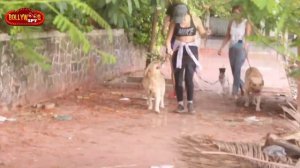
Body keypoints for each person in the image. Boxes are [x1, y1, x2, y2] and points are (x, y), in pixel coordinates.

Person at [166, 3, 208, 113]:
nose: (180, 20)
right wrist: (168, 49)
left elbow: (202, 33)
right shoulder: (175, 22)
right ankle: (180, 103)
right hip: (178, 49)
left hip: (191, 49)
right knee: (178, 78)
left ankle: (190, 103)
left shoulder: (195, 20)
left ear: (186, 14)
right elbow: (168, 39)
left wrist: (207, 33)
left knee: (189, 76)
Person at [217, 5, 251, 100]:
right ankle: (243, 86)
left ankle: (234, 92)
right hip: (232, 46)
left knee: (237, 68)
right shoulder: (231, 22)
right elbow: (227, 36)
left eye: (237, 13)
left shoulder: (246, 22)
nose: (235, 15)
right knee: (233, 70)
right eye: (233, 13)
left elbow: (248, 36)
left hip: (241, 46)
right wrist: (221, 47)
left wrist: (246, 45)